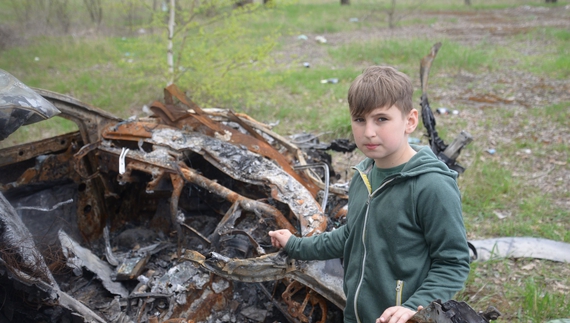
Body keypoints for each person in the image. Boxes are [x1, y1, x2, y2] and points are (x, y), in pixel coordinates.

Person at [269, 66, 471, 323]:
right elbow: (351, 235)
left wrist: (412, 308)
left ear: (410, 121)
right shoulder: (364, 174)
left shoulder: (432, 186)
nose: (369, 132)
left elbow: (452, 263)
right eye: (360, 119)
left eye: (382, 119)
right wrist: (295, 245)